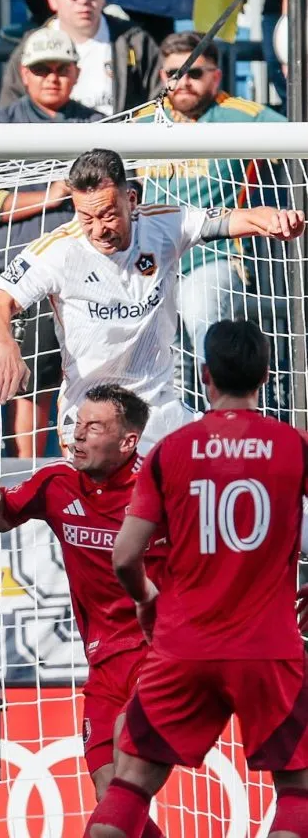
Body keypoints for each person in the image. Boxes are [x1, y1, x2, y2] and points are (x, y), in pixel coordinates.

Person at [86, 319, 308, 838]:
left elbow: (125, 556)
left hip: (183, 647)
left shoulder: (171, 450)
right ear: (266, 375)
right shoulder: (293, 445)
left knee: (131, 783)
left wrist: (145, 599)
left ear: (204, 374)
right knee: (297, 789)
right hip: (268, 650)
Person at [0, 148, 305, 454]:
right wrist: (7, 348)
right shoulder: (57, 250)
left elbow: (235, 218)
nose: (97, 230)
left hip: (160, 408)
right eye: (86, 218)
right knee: (115, 502)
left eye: (107, 215)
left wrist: (273, 220)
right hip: (90, 411)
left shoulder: (164, 224)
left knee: (225, 468)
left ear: (131, 199)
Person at [0, 386, 165, 826]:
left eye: (93, 428)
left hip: (156, 657)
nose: (77, 436)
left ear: (128, 442)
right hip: (102, 662)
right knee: (109, 797)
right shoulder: (57, 483)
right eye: (77, 424)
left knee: (121, 787)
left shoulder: (160, 488)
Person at [0, 27, 99, 457]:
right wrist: (55, 193)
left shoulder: (98, 125)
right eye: (41, 69)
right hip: (21, 281)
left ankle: (84, 470)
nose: (52, 77)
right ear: (24, 74)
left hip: (91, 276)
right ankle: (27, 473)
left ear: (76, 73)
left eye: (61, 69)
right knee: (29, 387)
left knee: (92, 383)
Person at [134, 31, 285, 378]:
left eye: (195, 73)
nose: (183, 81)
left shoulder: (243, 116)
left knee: (206, 329)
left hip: (214, 257)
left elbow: (295, 139)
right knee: (155, 358)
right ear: (162, 77)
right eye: (174, 73)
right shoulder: (142, 121)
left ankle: (221, 423)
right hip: (151, 261)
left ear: (216, 76)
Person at [0, 0, 161, 117]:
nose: (83, 0)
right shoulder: (32, 47)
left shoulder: (135, 43)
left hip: (117, 141)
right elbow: (9, 115)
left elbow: (160, 103)